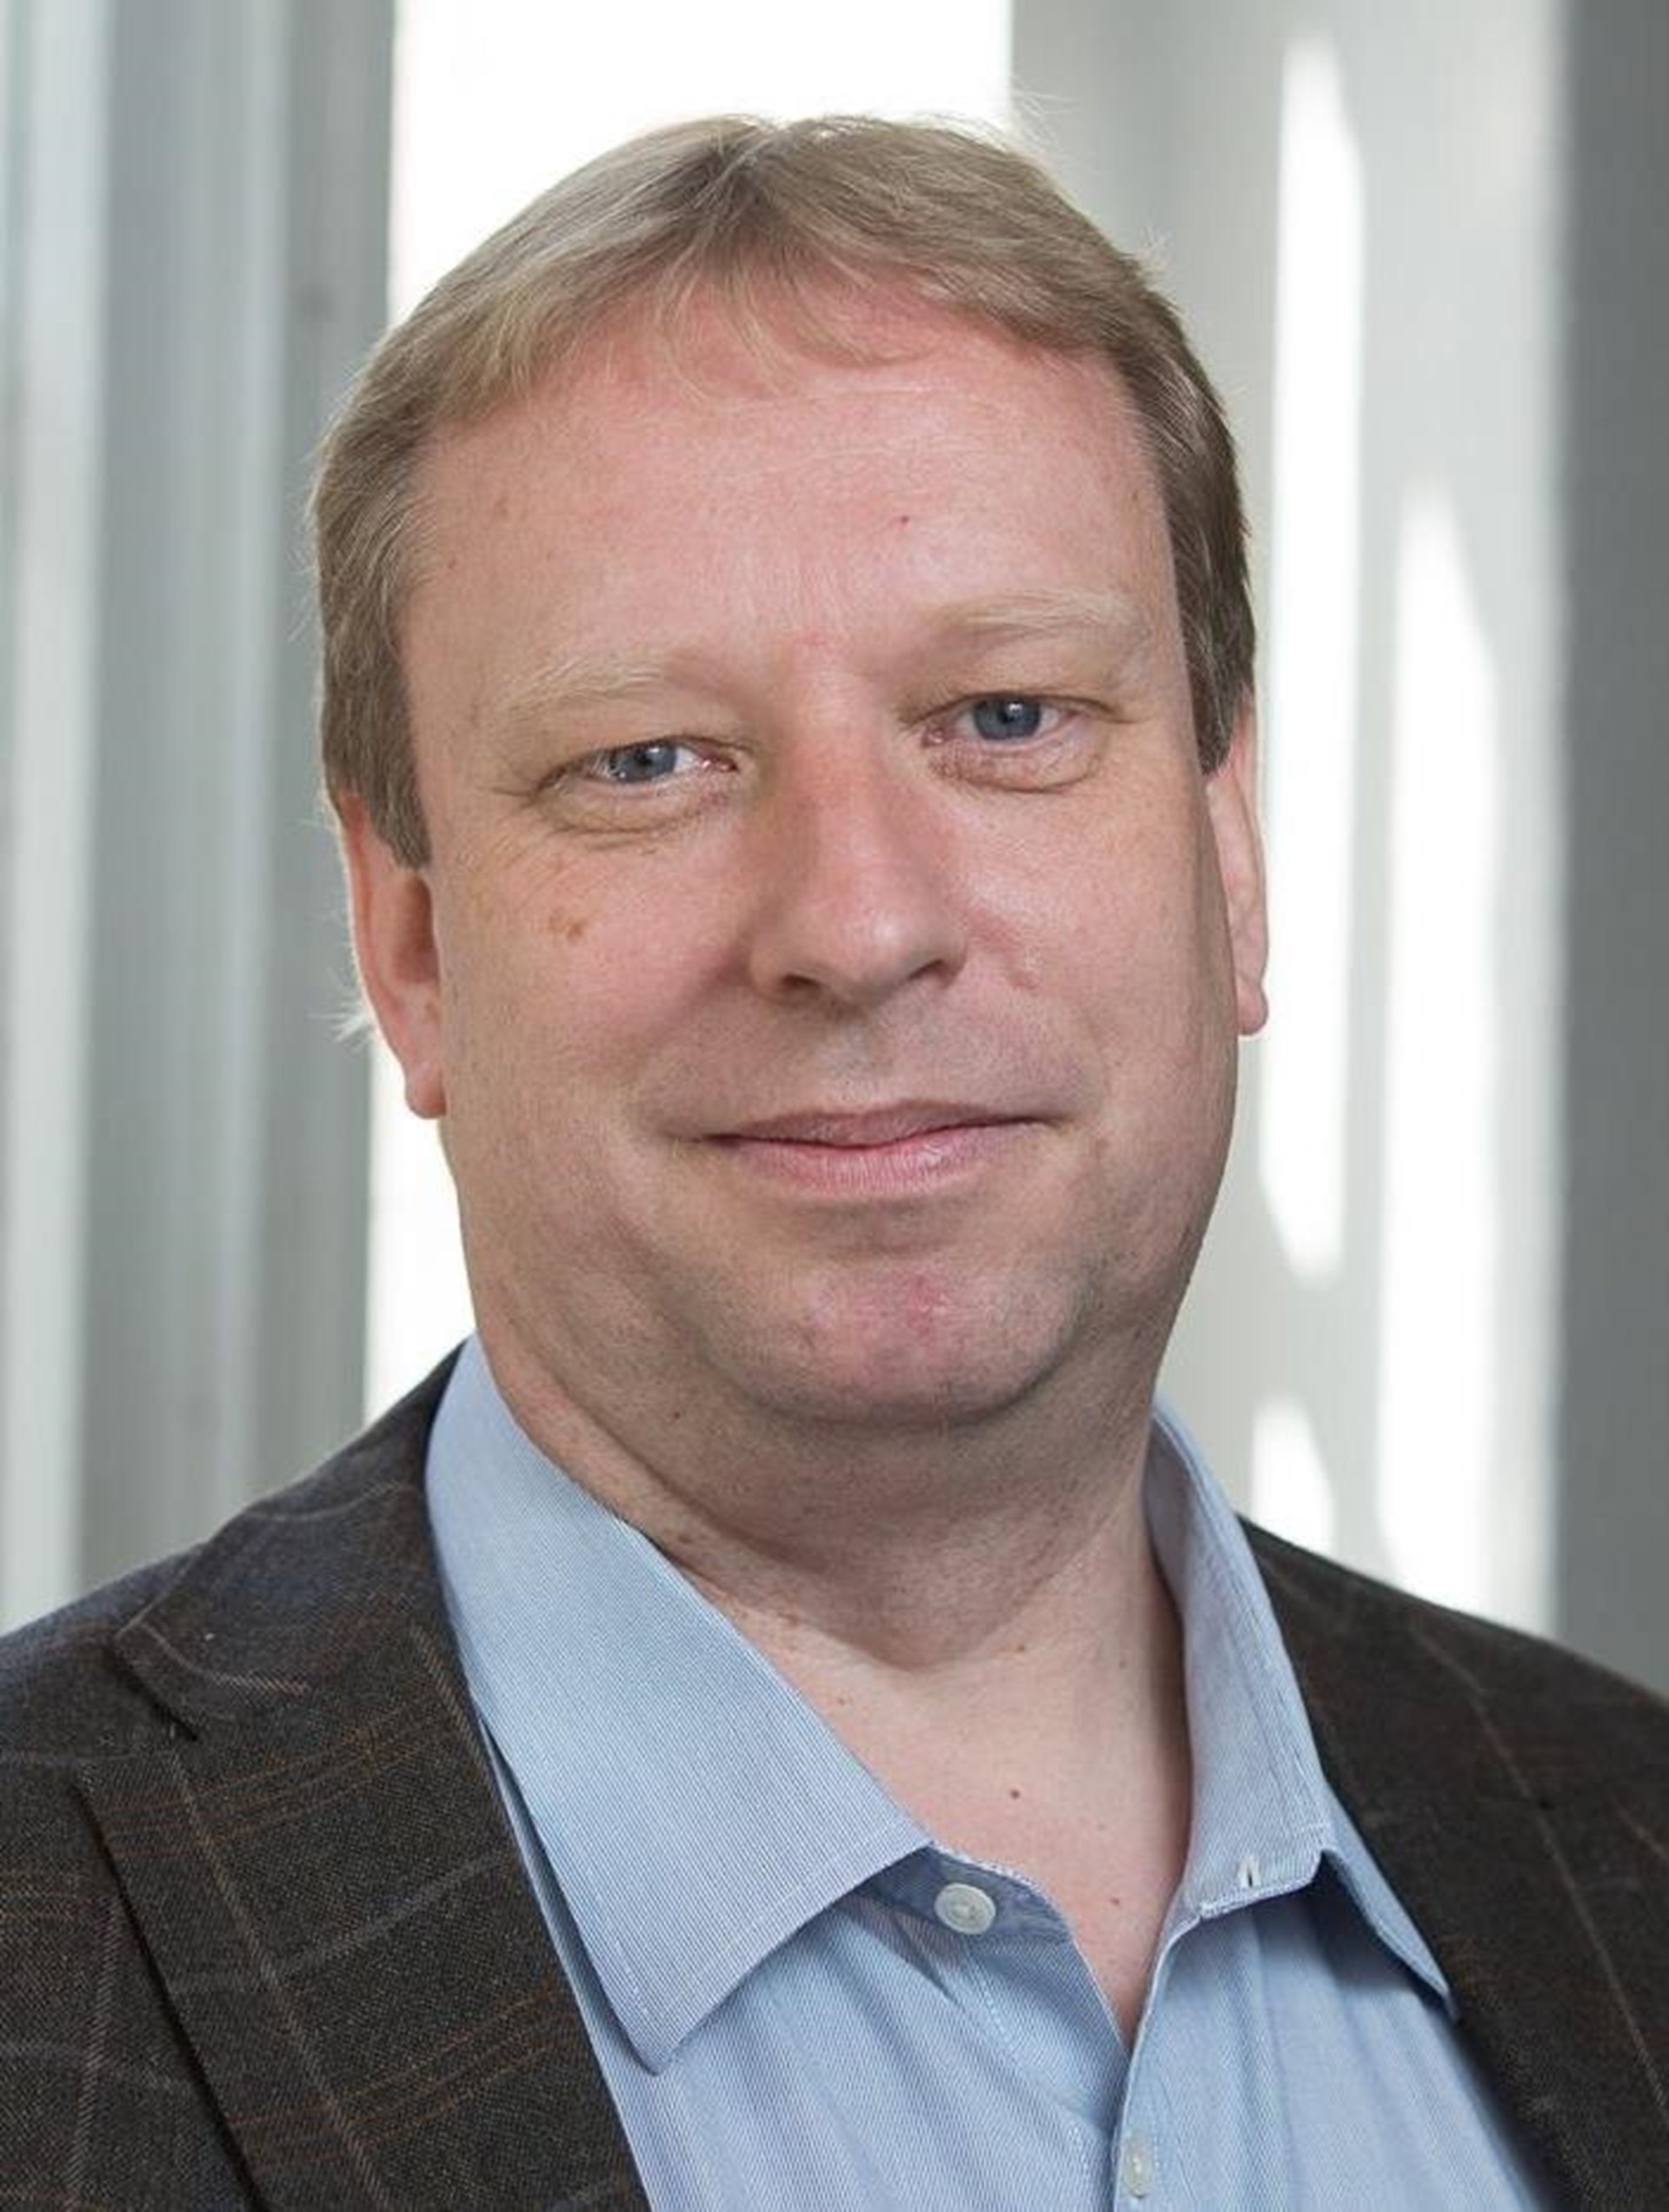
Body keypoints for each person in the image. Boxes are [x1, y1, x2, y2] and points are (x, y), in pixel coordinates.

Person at [2, 115, 1666, 2211]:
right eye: (647, 760)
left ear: (1229, 850)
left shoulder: (1629, 1844)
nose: (860, 923)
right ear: (408, 944)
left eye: (1007, 717)